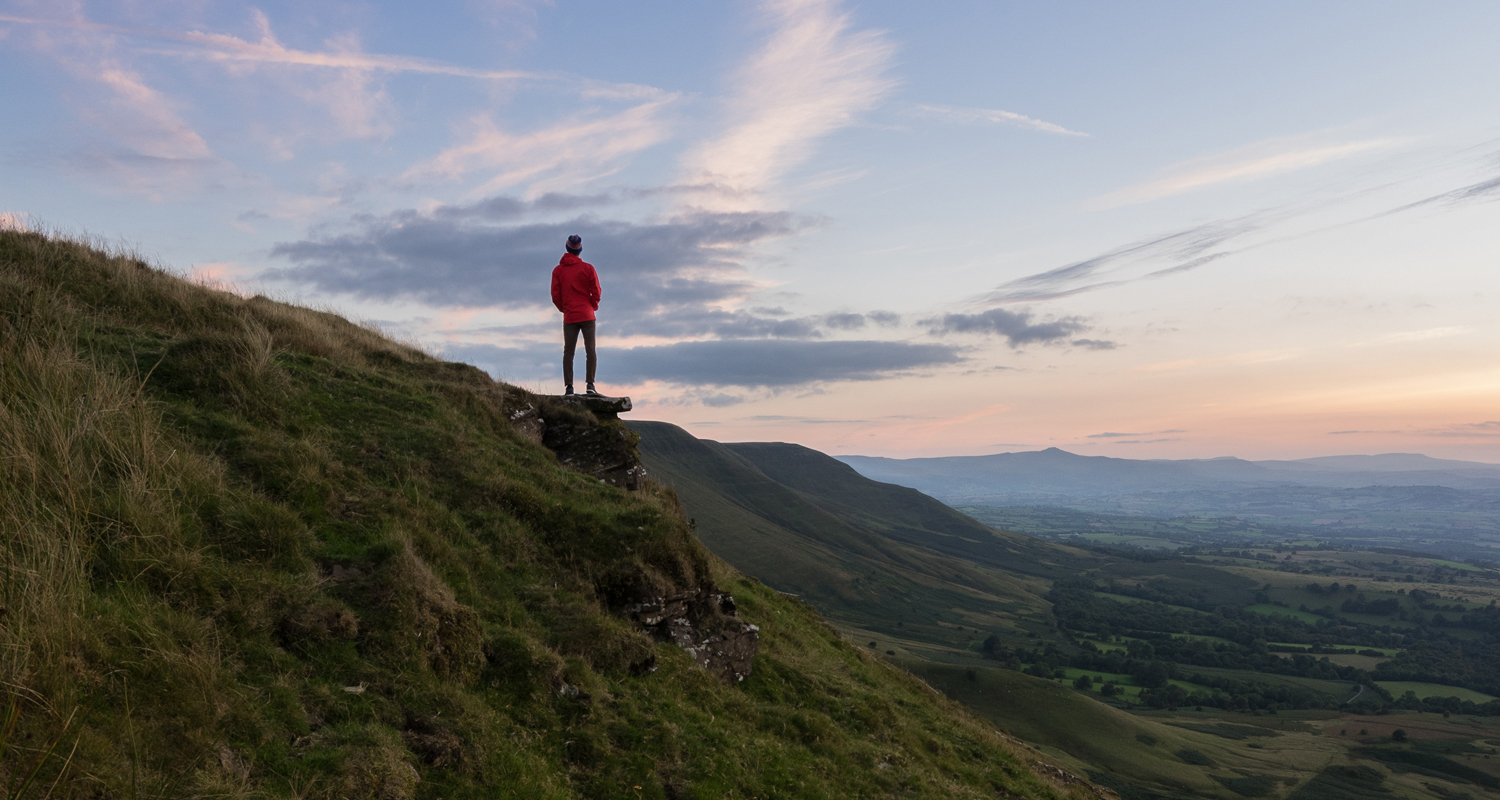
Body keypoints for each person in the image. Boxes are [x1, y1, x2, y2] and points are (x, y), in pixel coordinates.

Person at [550, 234, 602, 396]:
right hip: (587, 315)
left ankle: (569, 387)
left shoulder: (558, 271)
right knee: (590, 350)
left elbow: (555, 295)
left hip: (570, 316)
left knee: (568, 352)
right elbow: (596, 291)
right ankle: (590, 385)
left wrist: (564, 309)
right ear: (580, 250)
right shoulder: (588, 268)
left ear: (567, 248)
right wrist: (592, 306)